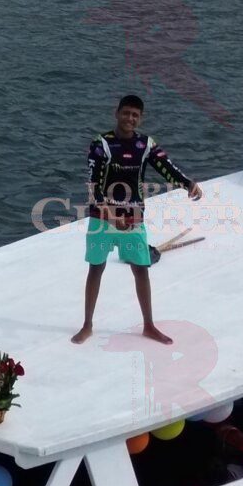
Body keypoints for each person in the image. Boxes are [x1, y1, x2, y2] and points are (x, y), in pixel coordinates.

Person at [74, 94, 202, 345]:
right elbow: (93, 186)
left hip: (133, 217)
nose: (130, 118)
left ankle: (149, 326)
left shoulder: (146, 145)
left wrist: (187, 183)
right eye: (126, 113)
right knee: (96, 268)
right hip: (102, 217)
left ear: (140, 118)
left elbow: (166, 167)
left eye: (135, 115)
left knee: (141, 269)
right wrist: (111, 216)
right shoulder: (101, 144)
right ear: (117, 113)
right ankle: (87, 325)